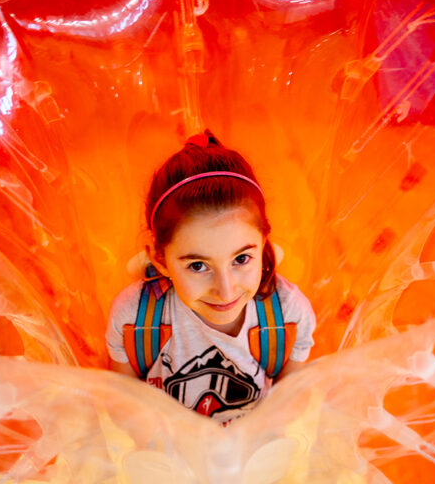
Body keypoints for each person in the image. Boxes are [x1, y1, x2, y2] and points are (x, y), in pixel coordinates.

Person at [106, 130, 316, 423]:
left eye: (241, 259)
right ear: (159, 259)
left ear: (264, 243)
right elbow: (126, 411)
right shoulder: (134, 319)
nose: (225, 291)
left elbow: (286, 411)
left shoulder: (289, 314)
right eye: (197, 266)